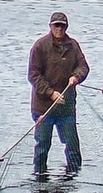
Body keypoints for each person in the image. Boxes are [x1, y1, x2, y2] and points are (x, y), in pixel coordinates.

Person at [28, 11, 90, 176]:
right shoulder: (40, 46)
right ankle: (40, 178)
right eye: (56, 25)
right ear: (50, 26)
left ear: (66, 27)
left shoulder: (73, 45)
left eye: (62, 26)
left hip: (66, 108)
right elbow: (33, 75)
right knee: (42, 146)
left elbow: (84, 67)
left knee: (72, 146)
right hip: (44, 108)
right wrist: (50, 93)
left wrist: (76, 76)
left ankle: (73, 179)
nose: (59, 29)